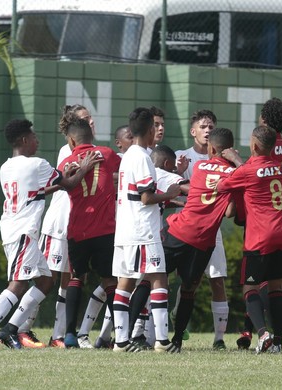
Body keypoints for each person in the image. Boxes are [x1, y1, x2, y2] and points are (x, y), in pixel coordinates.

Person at [0, 119, 98, 350]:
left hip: (12, 228)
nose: (38, 141)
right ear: (25, 140)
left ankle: (9, 330)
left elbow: (39, 190)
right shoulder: (37, 164)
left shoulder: (6, 166)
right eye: (35, 137)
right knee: (17, 285)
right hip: (23, 232)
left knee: (47, 281)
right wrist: (85, 169)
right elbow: (68, 184)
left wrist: (63, 176)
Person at [217, 125, 282, 354]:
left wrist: (235, 159)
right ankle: (278, 340)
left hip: (260, 238)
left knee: (249, 288)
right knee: (276, 287)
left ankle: (263, 334)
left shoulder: (248, 170)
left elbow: (222, 186)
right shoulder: (280, 168)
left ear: (255, 145)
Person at [112, 107, 181, 353]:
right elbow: (145, 197)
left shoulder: (129, 156)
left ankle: (120, 342)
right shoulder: (141, 156)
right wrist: (169, 194)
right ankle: (162, 341)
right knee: (159, 277)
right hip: (143, 229)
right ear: (150, 130)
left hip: (125, 229)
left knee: (126, 281)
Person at [163, 127, 238, 351]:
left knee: (153, 279)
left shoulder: (199, 166)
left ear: (211, 148)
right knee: (188, 289)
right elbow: (229, 213)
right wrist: (236, 165)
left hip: (178, 232)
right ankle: (177, 340)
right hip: (203, 241)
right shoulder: (234, 174)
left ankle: (135, 333)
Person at [29, 104, 95, 349]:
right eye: (85, 120)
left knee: (70, 280)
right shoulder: (67, 151)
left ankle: (59, 334)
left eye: (91, 119)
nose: (91, 123)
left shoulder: (91, 151)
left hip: (74, 226)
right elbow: (70, 183)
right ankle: (21, 328)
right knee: (46, 279)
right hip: (58, 224)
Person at [59, 119, 121, 349]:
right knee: (110, 280)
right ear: (90, 136)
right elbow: (121, 172)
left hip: (78, 229)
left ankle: (69, 334)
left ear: (72, 140)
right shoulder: (105, 153)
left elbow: (63, 182)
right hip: (105, 229)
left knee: (77, 278)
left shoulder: (67, 161)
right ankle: (120, 334)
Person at [174, 109, 230, 349]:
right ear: (193, 131)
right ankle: (176, 324)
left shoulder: (222, 162)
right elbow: (170, 188)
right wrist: (176, 172)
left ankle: (218, 339)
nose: (208, 130)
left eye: (211, 126)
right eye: (203, 126)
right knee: (184, 281)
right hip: (184, 228)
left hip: (211, 230)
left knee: (217, 280)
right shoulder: (181, 157)